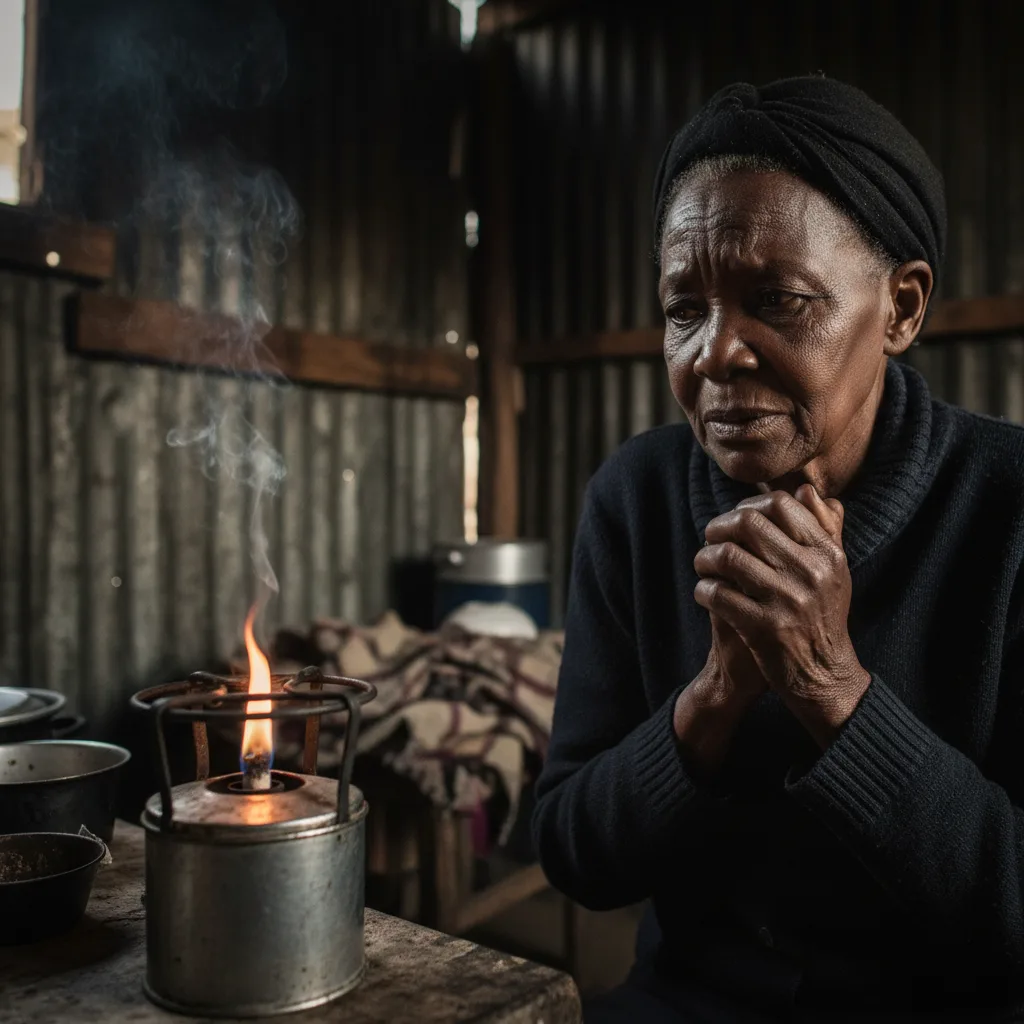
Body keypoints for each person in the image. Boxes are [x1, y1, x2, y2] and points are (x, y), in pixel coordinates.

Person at [532, 76, 1024, 1023]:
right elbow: (573, 852)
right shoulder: (633, 500)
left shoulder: (1008, 509)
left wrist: (831, 688)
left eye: (780, 299)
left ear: (901, 309)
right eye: (685, 309)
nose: (715, 353)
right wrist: (711, 704)